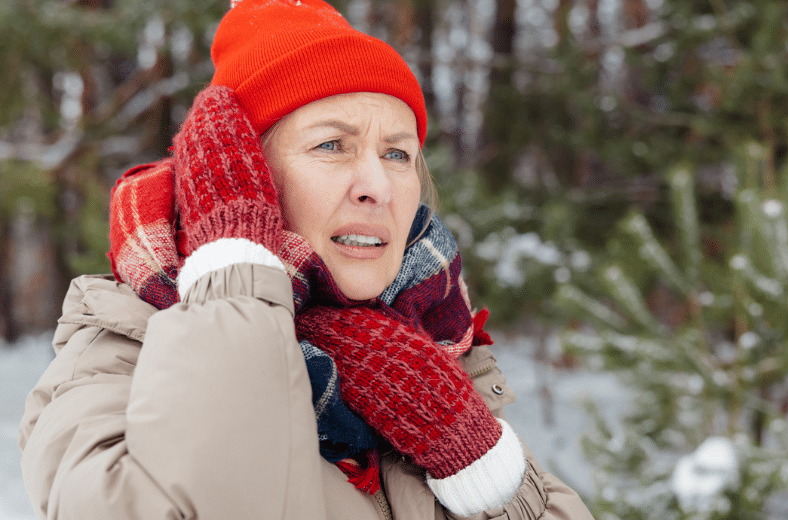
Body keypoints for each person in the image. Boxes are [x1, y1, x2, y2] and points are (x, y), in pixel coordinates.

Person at [18, 0, 595, 518]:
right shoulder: (117, 357)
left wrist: (474, 459)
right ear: (248, 174)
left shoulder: (435, 343)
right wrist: (236, 276)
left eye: (397, 154)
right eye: (332, 145)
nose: (378, 187)